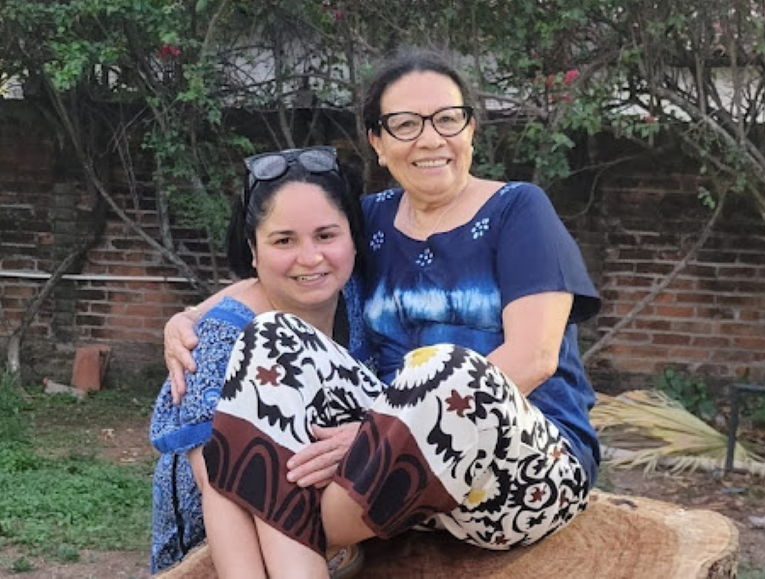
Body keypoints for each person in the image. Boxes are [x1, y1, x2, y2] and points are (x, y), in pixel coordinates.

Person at [165, 48, 601, 578]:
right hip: (392, 482)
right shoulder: (371, 220)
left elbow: (534, 359)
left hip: (524, 473)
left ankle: (304, 529)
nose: (429, 138)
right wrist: (189, 315)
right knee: (273, 334)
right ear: (377, 140)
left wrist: (389, 430)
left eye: (446, 118)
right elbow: (284, 273)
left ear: (470, 129)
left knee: (449, 366)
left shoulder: (519, 210)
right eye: (405, 124)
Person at [149, 146, 369, 575]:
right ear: (253, 251)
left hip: (322, 523)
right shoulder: (215, 344)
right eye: (284, 240)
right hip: (218, 549)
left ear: (353, 237)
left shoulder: (355, 297)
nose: (310, 257)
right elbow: (220, 486)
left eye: (326, 235)